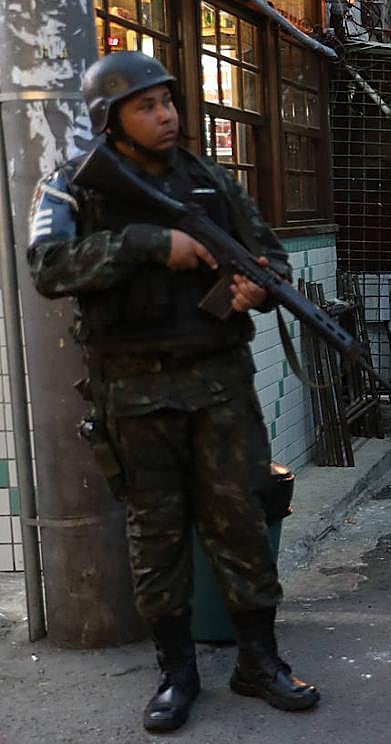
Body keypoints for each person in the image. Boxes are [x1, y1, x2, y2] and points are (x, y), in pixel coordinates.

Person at [27, 52, 319, 733]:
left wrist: (256, 287)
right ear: (111, 119)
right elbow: (49, 266)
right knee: (156, 535)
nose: (165, 116)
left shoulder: (210, 182)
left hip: (219, 386)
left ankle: (259, 661)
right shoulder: (74, 187)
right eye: (146, 106)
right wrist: (150, 244)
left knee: (240, 523)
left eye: (168, 102)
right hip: (133, 395)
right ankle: (176, 674)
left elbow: (270, 257)